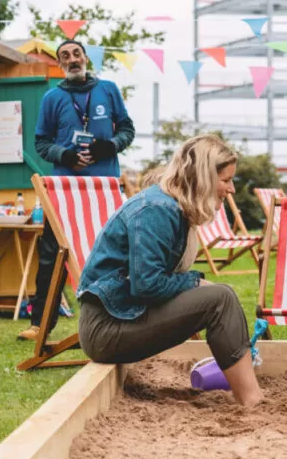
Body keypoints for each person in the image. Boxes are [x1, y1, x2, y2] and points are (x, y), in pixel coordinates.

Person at [76, 135, 263, 407]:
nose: (232, 189)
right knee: (221, 299)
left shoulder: (171, 206)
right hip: (107, 329)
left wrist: (196, 285)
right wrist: (194, 282)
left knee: (222, 296)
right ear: (203, 178)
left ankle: (249, 391)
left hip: (125, 316)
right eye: (226, 180)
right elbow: (147, 285)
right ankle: (252, 398)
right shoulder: (155, 210)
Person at [17, 38, 135, 341]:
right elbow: (41, 143)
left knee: (117, 251)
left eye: (77, 54)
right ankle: (40, 321)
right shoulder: (52, 97)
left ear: (85, 58)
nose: (72, 59)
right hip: (65, 190)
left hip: (105, 187)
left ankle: (125, 313)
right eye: (65, 56)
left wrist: (110, 145)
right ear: (60, 64)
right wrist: (66, 155)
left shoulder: (107, 89)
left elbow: (127, 129)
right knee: (51, 254)